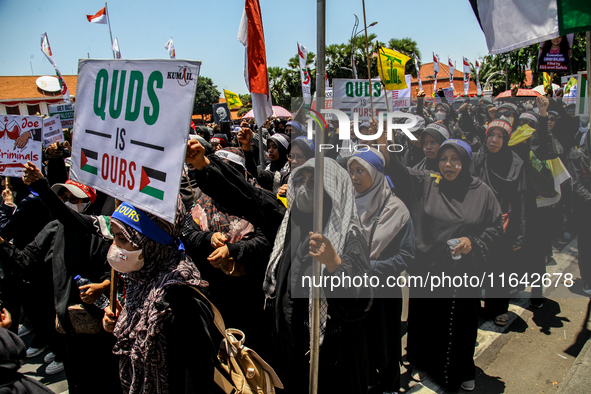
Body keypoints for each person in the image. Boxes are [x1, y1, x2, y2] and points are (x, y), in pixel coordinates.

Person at [185, 139, 372, 394]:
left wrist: (333, 264)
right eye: (301, 181)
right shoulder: (288, 221)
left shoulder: (350, 235)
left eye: (314, 183)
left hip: (332, 357)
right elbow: (250, 198)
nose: (305, 188)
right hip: (288, 349)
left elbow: (359, 303)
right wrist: (205, 164)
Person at [382, 127, 502, 391]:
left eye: (456, 159)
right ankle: (422, 364)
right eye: (444, 158)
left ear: (466, 162)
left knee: (462, 325)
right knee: (426, 322)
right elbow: (399, 170)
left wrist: (474, 243)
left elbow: (494, 228)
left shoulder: (482, 193)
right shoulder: (428, 181)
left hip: (463, 274)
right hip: (427, 269)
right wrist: (382, 144)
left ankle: (462, 370)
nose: (449, 164)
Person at [0, 177, 121, 393]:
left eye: (71, 198)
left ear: (86, 202)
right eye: (62, 198)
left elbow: (115, 270)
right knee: (77, 380)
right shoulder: (53, 229)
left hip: (100, 326)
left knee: (106, 381)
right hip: (66, 324)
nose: (65, 202)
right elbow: (25, 261)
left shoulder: (101, 230)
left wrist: (102, 286)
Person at [347, 148, 415, 393]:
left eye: (360, 171)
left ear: (375, 173)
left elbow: (406, 255)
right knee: (360, 340)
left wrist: (370, 268)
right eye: (351, 170)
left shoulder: (397, 210)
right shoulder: (346, 205)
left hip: (384, 292)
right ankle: (368, 378)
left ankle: (390, 385)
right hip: (354, 289)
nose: (354, 176)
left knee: (385, 342)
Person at [472, 120, 526, 326]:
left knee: (500, 267)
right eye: (491, 135)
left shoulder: (516, 163)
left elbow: (520, 202)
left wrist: (519, 233)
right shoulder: (478, 159)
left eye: (499, 136)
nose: (494, 140)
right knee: (475, 266)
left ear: (507, 139)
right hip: (477, 220)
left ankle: (498, 309)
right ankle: (474, 308)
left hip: (503, 222)